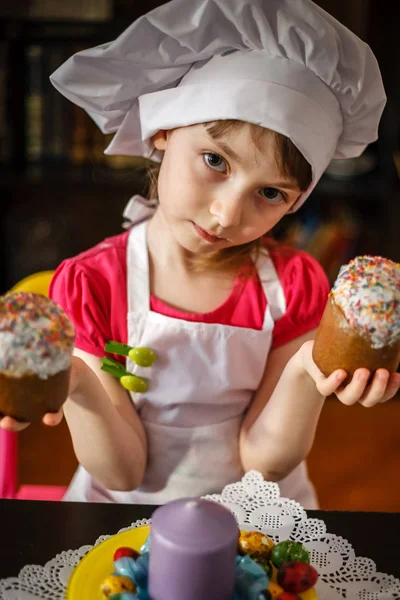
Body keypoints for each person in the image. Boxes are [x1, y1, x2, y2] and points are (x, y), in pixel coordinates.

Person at [1, 0, 398, 507]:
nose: (227, 215)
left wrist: (308, 369)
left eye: (270, 193)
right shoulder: (94, 283)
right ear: (163, 130)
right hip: (124, 522)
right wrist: (78, 384)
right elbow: (123, 473)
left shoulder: (294, 284)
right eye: (215, 160)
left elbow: (265, 462)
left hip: (255, 517)